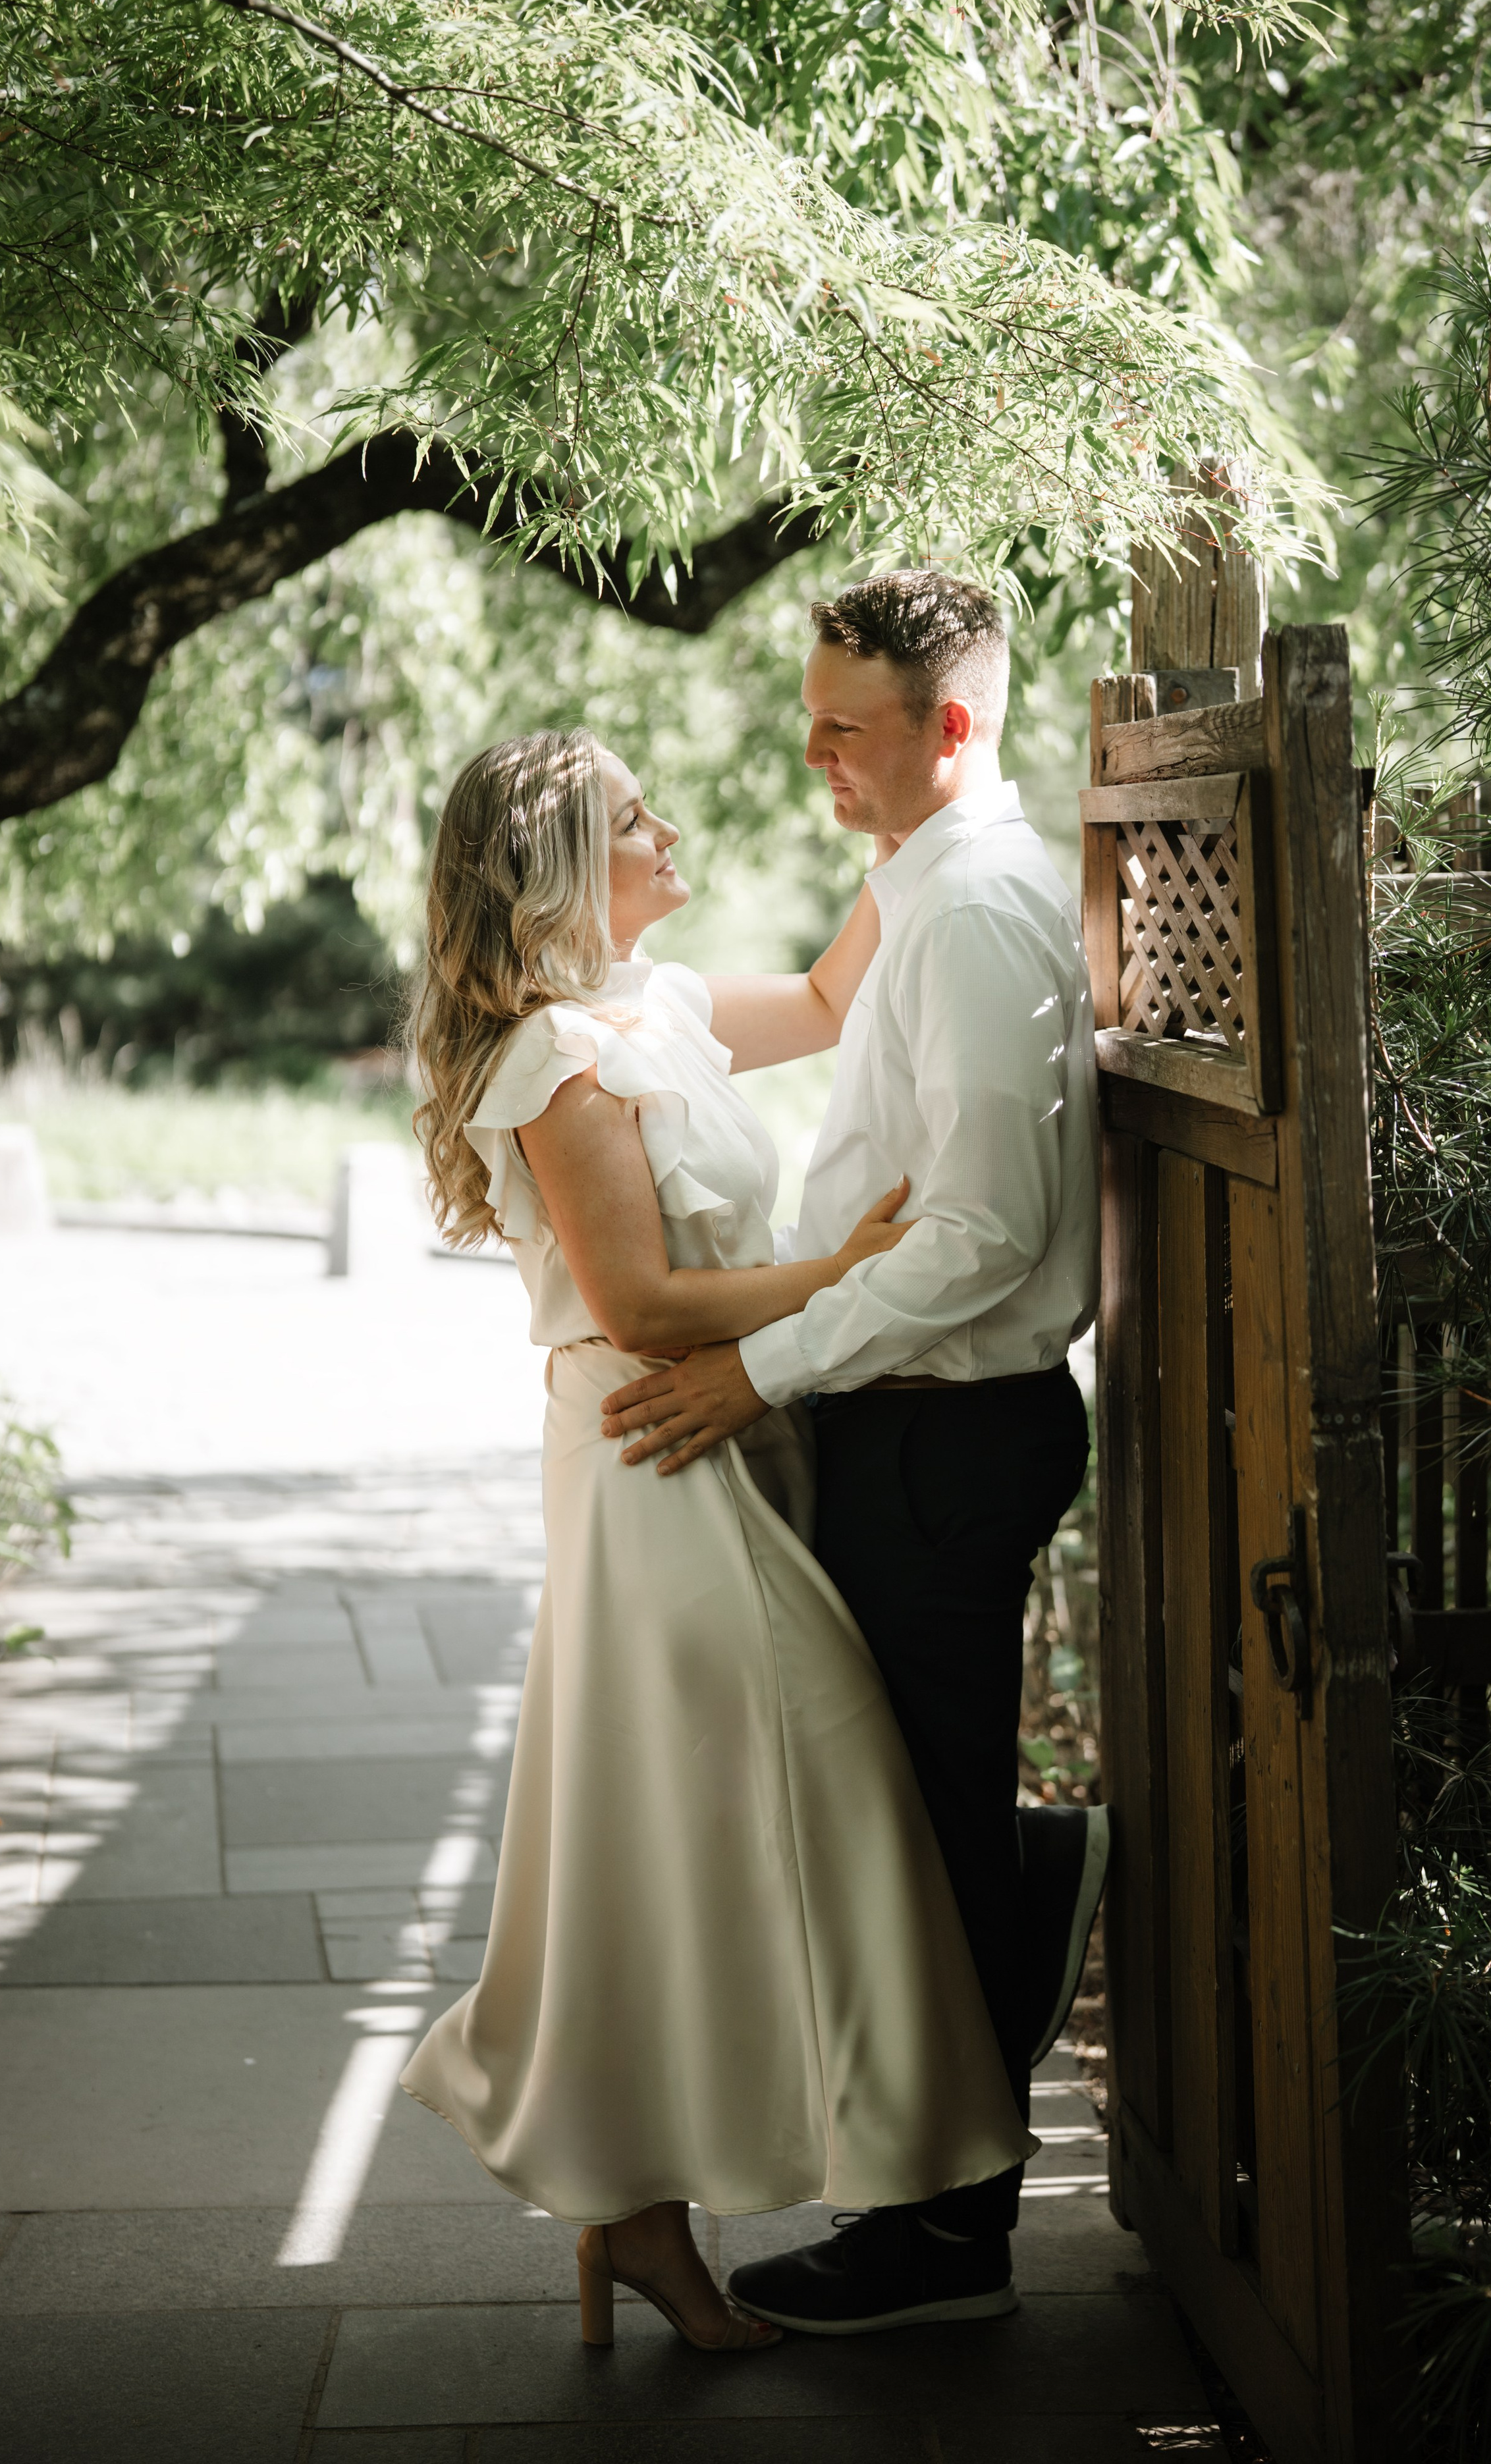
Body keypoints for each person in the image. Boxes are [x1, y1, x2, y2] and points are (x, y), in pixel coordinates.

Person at [398, 728, 1035, 2355]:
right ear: (552, 869)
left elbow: (830, 998)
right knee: (824, 1774)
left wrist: (957, 821)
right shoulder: (551, 1060)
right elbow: (644, 1303)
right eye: (630, 820)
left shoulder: (656, 1008)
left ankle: (638, 2207)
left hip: (733, 1434)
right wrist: (849, 1271)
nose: (668, 829)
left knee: (662, 1830)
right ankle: (919, 2167)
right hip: (648, 1454)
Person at [599, 570, 1106, 2334]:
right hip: (917, 1421)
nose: (810, 748)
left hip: (944, 1431)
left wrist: (763, 1367)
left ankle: (949, 2242)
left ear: (948, 728)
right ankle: (1019, 1933)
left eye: (843, 722)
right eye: (811, 711)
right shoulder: (929, 893)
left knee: (926, 1830)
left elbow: (976, 1230)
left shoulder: (968, 914)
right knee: (911, 1813)